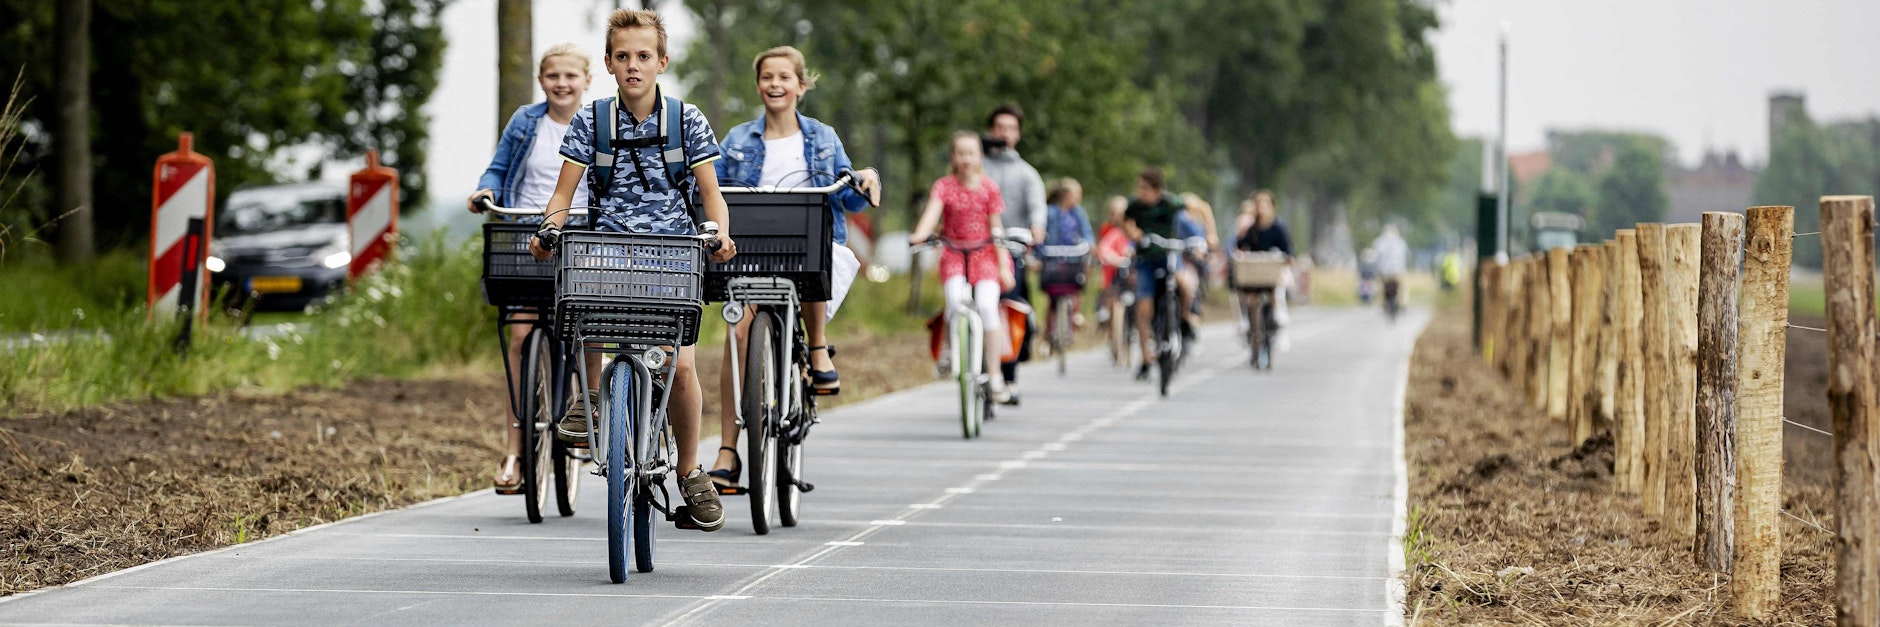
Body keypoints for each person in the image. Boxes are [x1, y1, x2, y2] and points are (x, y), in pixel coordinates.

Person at [528, 9, 736, 532]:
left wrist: (719, 233)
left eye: (643, 56)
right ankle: (592, 397)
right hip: (608, 250)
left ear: (661, 62)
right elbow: (563, 194)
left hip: (672, 258)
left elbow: (711, 195)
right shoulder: (592, 120)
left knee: (681, 368)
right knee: (583, 302)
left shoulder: (686, 121)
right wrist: (547, 230)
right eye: (622, 57)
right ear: (608, 64)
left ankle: (690, 471)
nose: (633, 65)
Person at [705, 45, 881, 492]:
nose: (775, 84)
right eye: (767, 77)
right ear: (758, 84)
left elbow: (846, 191)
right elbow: (709, 186)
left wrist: (865, 179)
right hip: (750, 247)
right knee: (737, 336)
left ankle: (817, 346)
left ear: (802, 85)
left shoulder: (822, 137)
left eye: (785, 77)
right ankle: (728, 449)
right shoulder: (739, 140)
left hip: (804, 248)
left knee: (817, 254)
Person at [467, 43, 593, 494]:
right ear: (542, 80)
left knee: (587, 326)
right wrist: (485, 191)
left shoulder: (598, 123)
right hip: (527, 234)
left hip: (584, 239)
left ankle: (588, 415)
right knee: (520, 336)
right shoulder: (526, 121)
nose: (562, 83)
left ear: (586, 81)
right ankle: (515, 451)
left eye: (570, 76)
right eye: (553, 76)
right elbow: (499, 169)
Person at [908, 132, 1015, 402]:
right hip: (954, 254)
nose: (966, 159)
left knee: (988, 306)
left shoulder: (989, 187)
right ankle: (950, 351)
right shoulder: (944, 186)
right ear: (953, 158)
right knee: (955, 300)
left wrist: (1003, 264)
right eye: (961, 153)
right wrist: (920, 234)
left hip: (986, 255)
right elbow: (931, 214)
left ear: (979, 156)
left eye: (971, 153)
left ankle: (995, 375)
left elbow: (996, 227)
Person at [981, 103, 1044, 404]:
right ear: (991, 131)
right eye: (999, 128)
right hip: (975, 248)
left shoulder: (1027, 173)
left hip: (1009, 249)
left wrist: (1036, 230)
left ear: (1018, 134)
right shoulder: (977, 166)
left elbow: (1037, 211)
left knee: (1009, 305)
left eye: (1011, 128)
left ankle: (1008, 374)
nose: (1004, 134)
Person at [1122, 167, 1195, 381]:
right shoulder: (1135, 206)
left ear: (1156, 190)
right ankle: (1146, 358)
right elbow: (1126, 220)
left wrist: (1209, 234)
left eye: (1144, 188)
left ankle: (1184, 321)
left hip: (1169, 255)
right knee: (1143, 308)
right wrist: (1133, 233)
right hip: (1146, 259)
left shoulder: (1171, 203)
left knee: (1184, 285)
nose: (1140, 192)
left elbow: (1201, 208)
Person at [1233, 189, 1295, 350]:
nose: (1262, 207)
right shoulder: (1252, 228)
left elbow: (1288, 249)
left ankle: (1279, 325)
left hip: (1272, 273)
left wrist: (1287, 258)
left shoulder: (1278, 227)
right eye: (1259, 204)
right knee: (1250, 298)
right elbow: (1241, 246)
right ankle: (1250, 326)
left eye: (1265, 203)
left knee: (1277, 294)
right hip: (1254, 275)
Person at [1038, 178, 1094, 348]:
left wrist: (1089, 245)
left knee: (1074, 288)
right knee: (1053, 295)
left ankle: (1074, 317)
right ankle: (1049, 332)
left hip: (1073, 257)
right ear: (1067, 195)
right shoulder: (1049, 213)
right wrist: (1038, 254)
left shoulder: (1078, 213)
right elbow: (1041, 234)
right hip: (1052, 258)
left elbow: (1087, 233)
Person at [1371, 224, 1409, 310]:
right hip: (1398, 271)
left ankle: (1383, 303)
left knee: (1380, 287)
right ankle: (1403, 303)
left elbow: (1375, 257)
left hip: (1383, 272)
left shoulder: (1379, 242)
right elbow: (1406, 255)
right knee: (1403, 287)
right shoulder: (1400, 242)